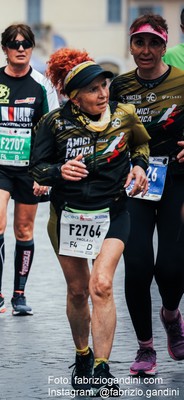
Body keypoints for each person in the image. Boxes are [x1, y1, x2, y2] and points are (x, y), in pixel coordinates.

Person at [31, 47, 150, 396]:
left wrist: (140, 166)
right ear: (74, 96)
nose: (102, 94)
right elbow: (35, 168)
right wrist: (58, 171)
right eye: (93, 89)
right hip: (68, 216)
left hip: (113, 212)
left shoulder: (124, 115)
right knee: (78, 290)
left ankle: (101, 367)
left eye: (104, 86)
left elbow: (141, 145)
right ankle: (82, 355)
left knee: (102, 284)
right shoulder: (53, 123)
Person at [0, 24, 59, 317]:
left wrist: (46, 174)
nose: (20, 48)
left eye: (26, 44)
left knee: (24, 229)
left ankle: (19, 294)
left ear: (31, 48)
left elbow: (53, 132)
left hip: (30, 170)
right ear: (4, 48)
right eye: (14, 44)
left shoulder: (43, 85)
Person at [110, 14, 184, 377]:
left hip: (177, 179)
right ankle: (145, 348)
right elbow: (102, 129)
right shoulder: (119, 87)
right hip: (134, 182)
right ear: (131, 45)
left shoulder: (183, 81)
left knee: (172, 265)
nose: (146, 50)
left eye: (154, 43)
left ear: (165, 45)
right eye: (139, 42)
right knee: (137, 265)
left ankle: (171, 314)